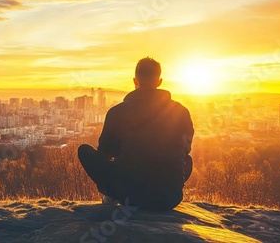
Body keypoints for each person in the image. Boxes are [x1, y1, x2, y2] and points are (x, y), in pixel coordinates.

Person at [78, 57, 194, 211]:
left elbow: (105, 152)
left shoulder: (117, 112)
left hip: (129, 195)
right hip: (169, 198)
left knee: (84, 151)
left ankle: (111, 194)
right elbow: (186, 149)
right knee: (188, 160)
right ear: (159, 81)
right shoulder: (181, 111)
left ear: (135, 81)